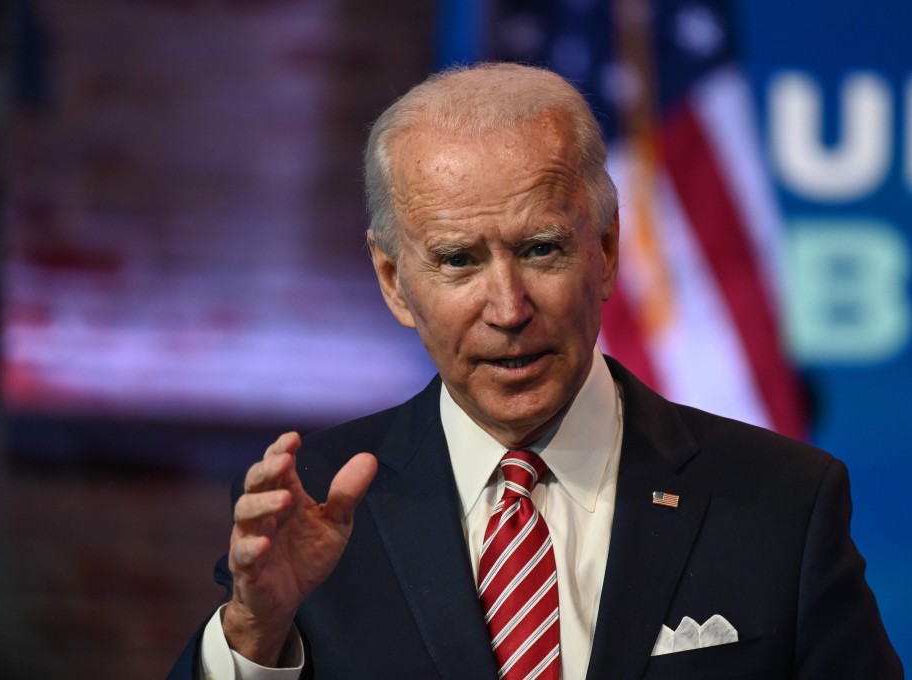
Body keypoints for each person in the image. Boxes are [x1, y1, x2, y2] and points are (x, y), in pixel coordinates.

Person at [169, 63, 902, 679]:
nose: (508, 307)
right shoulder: (311, 513)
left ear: (607, 251)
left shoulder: (782, 502)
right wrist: (253, 635)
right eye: (458, 261)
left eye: (542, 249)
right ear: (394, 281)